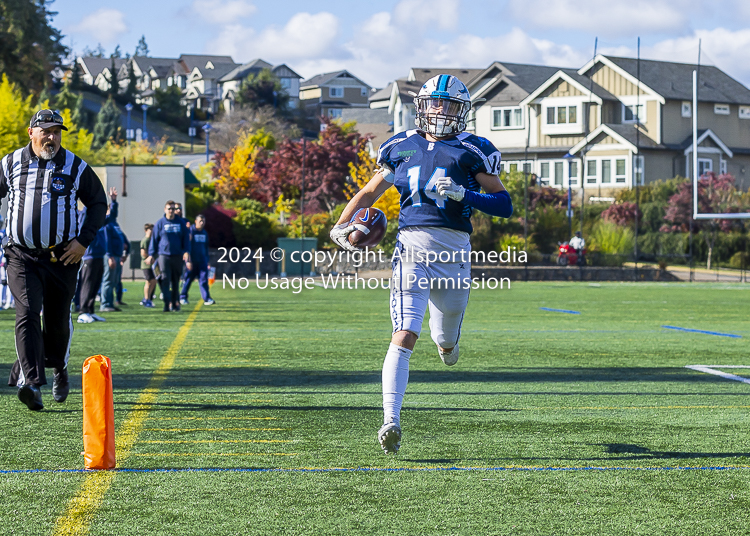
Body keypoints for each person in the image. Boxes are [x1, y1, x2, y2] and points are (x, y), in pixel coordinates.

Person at [330, 75, 513, 454]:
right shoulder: (400, 145)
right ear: (423, 107)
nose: (441, 111)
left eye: (449, 105)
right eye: (435, 103)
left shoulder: (473, 150)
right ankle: (390, 420)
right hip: (410, 250)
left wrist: (467, 193)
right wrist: (341, 225)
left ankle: (447, 345)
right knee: (404, 333)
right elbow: (368, 192)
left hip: (454, 254)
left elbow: (504, 204)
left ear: (462, 112)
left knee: (445, 339)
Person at [2, 109, 107, 410]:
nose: (52, 137)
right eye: (46, 131)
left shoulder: (74, 165)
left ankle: (59, 367)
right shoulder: (10, 164)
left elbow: (98, 202)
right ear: (31, 133)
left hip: (63, 256)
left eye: (57, 131)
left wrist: (83, 241)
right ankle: (32, 384)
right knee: (27, 312)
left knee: (58, 321)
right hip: (21, 255)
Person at [146, 200, 189, 312]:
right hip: (164, 256)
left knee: (175, 281)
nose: (171, 211)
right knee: (165, 279)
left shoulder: (180, 223)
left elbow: (185, 239)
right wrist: (151, 254)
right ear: (165, 210)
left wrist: (186, 251)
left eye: (173, 209)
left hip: (177, 256)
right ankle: (167, 303)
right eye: (169, 208)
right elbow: (154, 240)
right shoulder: (160, 223)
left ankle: (175, 303)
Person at [180, 214, 215, 305]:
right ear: (195, 221)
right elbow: (186, 247)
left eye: (203, 221)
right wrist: (188, 261)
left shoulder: (204, 233)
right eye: (200, 221)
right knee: (188, 280)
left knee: (204, 281)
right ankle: (183, 297)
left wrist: (207, 261)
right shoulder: (190, 231)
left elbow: (206, 248)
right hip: (192, 262)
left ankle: (207, 299)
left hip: (202, 261)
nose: (202, 223)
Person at [140, 223, 157, 307]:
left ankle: (149, 298)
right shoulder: (146, 240)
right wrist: (149, 258)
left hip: (152, 264)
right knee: (149, 281)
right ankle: (146, 299)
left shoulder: (152, 240)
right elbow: (143, 253)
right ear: (146, 230)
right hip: (146, 265)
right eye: (150, 230)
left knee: (154, 281)